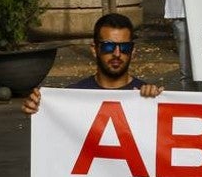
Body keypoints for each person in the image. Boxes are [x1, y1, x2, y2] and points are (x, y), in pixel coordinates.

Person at [21, 14, 162, 115]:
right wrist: (38, 108)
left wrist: (157, 102)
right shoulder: (72, 95)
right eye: (108, 46)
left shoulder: (146, 95)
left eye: (124, 47)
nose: (117, 54)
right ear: (94, 50)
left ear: (133, 51)